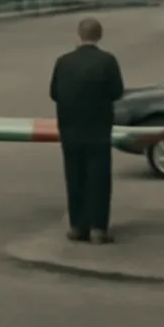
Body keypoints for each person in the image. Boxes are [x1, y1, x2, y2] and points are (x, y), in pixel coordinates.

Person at [49, 17, 124, 244]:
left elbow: (54, 93)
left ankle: (77, 226)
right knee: (99, 178)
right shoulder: (108, 61)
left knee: (74, 177)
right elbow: (117, 92)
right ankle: (98, 228)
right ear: (99, 35)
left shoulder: (63, 62)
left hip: (70, 129)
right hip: (98, 129)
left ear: (79, 35)